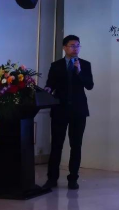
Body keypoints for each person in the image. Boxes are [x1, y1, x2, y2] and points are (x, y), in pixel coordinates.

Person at [43, 35, 94, 190]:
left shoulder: (85, 64)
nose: (75, 48)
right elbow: (50, 84)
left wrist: (79, 72)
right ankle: (52, 179)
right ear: (64, 47)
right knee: (56, 145)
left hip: (79, 110)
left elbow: (90, 85)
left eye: (78, 45)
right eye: (72, 45)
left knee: (76, 145)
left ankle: (73, 179)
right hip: (60, 109)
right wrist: (47, 89)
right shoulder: (56, 65)